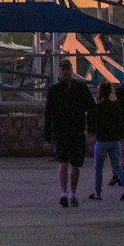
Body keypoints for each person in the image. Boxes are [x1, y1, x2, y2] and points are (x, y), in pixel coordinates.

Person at [43, 59, 94, 208]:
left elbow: (91, 108)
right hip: (61, 132)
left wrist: (91, 129)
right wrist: (48, 134)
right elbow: (49, 113)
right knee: (63, 162)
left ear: (71, 70)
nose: (65, 72)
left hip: (77, 131)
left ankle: (72, 193)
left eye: (67, 69)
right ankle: (64, 193)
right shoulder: (54, 91)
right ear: (59, 72)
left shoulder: (81, 89)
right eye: (62, 69)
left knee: (76, 165)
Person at [87, 82, 124, 200]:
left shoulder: (98, 107)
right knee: (117, 167)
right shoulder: (115, 106)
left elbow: (92, 124)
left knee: (98, 168)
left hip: (102, 140)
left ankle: (98, 193)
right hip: (114, 140)